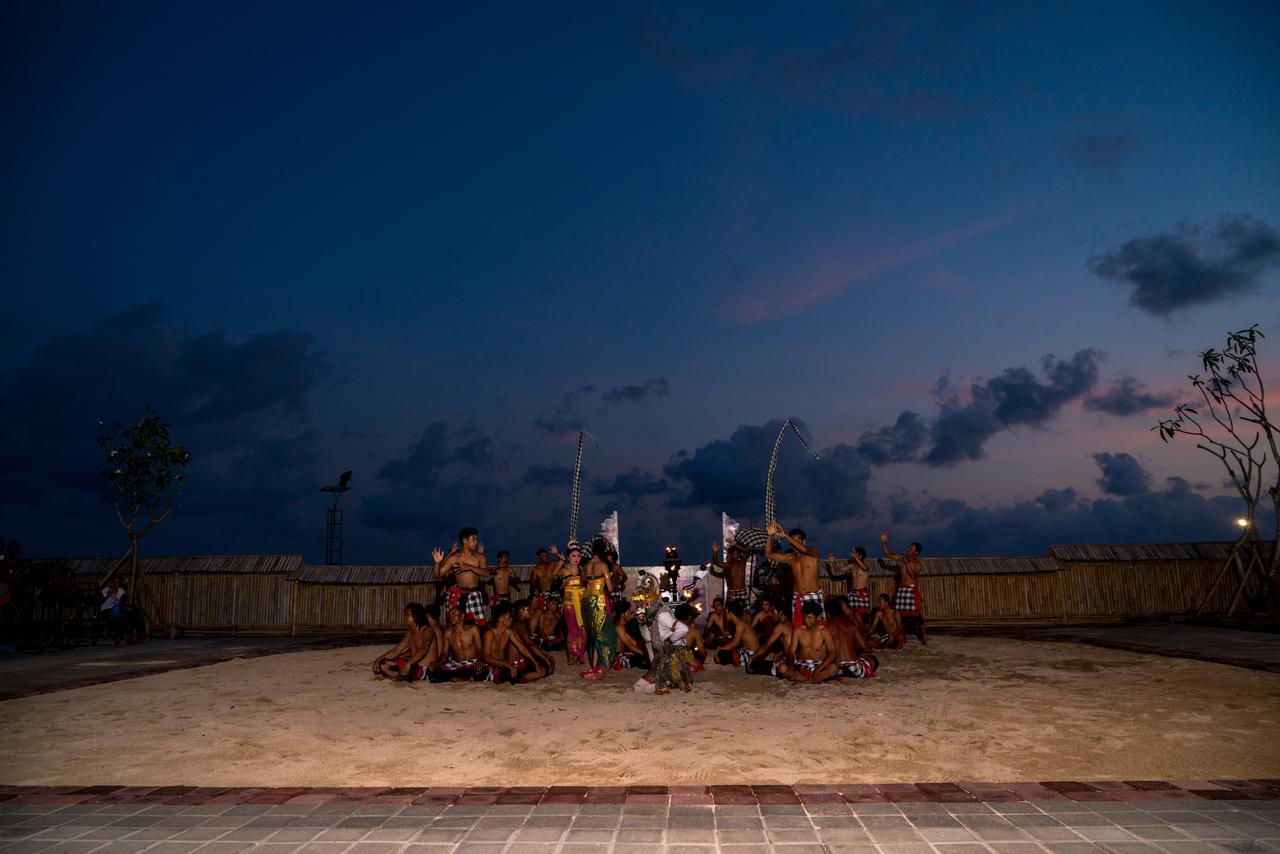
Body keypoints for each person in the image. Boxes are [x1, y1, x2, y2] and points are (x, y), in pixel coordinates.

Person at [765, 521, 823, 626]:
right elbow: (768, 554)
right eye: (792, 543)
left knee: (819, 629)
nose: (793, 545)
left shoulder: (813, 552)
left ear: (803, 541)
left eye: (796, 542)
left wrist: (786, 536)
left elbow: (804, 549)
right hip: (798, 596)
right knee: (798, 628)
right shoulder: (790, 558)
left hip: (813, 595)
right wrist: (769, 535)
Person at [433, 527, 490, 627]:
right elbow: (438, 576)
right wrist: (437, 563)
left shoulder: (479, 557)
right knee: (456, 626)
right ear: (464, 540)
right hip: (459, 595)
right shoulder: (454, 558)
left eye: (477, 539)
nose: (476, 542)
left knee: (478, 626)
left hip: (474, 593)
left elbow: (487, 573)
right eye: (473, 539)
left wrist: (470, 567)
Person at [580, 536, 619, 679]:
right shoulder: (603, 565)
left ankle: (595, 666)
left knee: (593, 634)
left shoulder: (586, 566)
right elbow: (609, 588)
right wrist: (613, 577)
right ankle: (604, 666)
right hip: (599, 601)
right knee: (607, 634)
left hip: (586, 600)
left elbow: (584, 584)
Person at [482, 602, 546, 683]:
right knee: (511, 674)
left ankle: (532, 675)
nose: (511, 619)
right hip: (494, 667)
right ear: (501, 619)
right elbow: (486, 657)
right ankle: (531, 676)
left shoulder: (508, 632)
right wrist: (506, 664)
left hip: (505, 665)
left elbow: (521, 647)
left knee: (534, 665)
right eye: (509, 617)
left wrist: (535, 663)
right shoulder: (490, 634)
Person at [881, 532, 927, 645]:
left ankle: (924, 638)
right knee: (900, 615)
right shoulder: (902, 558)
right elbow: (889, 554)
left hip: (911, 590)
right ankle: (902, 637)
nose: (908, 550)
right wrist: (884, 542)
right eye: (909, 548)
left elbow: (913, 576)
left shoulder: (917, 563)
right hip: (902, 590)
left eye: (911, 549)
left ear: (916, 552)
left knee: (917, 617)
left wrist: (906, 564)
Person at [372, 602, 437, 682]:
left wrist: (409, 663)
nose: (405, 617)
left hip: (426, 670)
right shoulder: (409, 634)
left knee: (410, 668)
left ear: (416, 616)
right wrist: (377, 660)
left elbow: (424, 648)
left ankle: (401, 675)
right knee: (383, 664)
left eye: (407, 615)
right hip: (412, 666)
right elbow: (396, 650)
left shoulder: (427, 630)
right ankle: (399, 676)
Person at [776, 602, 836, 683]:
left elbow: (833, 653)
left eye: (810, 618)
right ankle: (812, 680)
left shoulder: (824, 632)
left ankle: (809, 680)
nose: (806, 620)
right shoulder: (798, 631)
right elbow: (791, 651)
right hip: (802, 665)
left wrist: (819, 668)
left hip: (819, 666)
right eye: (805, 617)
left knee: (834, 668)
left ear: (817, 617)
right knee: (781, 668)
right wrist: (791, 666)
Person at [550, 542, 587, 666]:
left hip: (582, 604)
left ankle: (578, 654)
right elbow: (553, 575)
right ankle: (570, 656)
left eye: (578, 556)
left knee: (581, 630)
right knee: (572, 631)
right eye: (573, 556)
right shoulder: (564, 570)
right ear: (569, 557)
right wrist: (559, 558)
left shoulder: (583, 570)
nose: (576, 559)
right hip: (569, 605)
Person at [823, 597, 878, 680]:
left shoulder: (825, 627)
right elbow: (865, 647)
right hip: (854, 669)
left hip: (836, 667)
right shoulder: (850, 625)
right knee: (874, 659)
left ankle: (842, 672)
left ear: (827, 613)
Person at [428, 605, 488, 682]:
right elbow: (445, 654)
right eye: (450, 615)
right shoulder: (448, 633)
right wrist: (436, 662)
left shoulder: (473, 629)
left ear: (462, 616)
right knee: (433, 671)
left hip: (472, 663)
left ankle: (456, 678)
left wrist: (479, 661)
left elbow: (480, 649)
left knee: (483, 669)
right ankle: (465, 678)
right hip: (457, 664)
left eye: (454, 614)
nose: (451, 617)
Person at [512, 599, 557, 676]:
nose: (530, 612)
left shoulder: (522, 622)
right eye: (528, 609)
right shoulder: (519, 624)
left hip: (523, 655)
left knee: (550, 659)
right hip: (516, 660)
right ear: (520, 610)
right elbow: (530, 644)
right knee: (547, 664)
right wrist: (544, 660)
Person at [827, 546, 872, 622]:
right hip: (853, 593)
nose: (852, 555)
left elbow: (864, 568)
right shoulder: (852, 566)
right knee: (852, 614)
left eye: (854, 553)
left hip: (862, 592)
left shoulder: (865, 565)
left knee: (864, 616)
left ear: (860, 555)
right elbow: (838, 570)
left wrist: (856, 558)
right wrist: (833, 562)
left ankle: (865, 632)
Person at [714, 600, 760, 668]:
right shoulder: (739, 622)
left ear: (731, 613)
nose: (725, 614)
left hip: (752, 654)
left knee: (721, 654)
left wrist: (721, 649)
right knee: (721, 647)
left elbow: (735, 643)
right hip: (747, 650)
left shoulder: (739, 624)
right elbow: (738, 643)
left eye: (726, 612)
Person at [709, 542, 750, 608]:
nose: (736, 555)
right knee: (729, 612)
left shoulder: (742, 563)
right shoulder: (728, 565)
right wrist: (715, 551)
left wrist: (735, 545)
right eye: (734, 553)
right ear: (731, 554)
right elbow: (716, 562)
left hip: (742, 591)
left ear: (739, 554)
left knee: (745, 612)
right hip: (731, 592)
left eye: (737, 553)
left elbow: (747, 552)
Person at [100, 576, 127, 643]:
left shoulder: (121, 590)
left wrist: (120, 600)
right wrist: (108, 595)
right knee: (118, 608)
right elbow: (100, 602)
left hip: (117, 610)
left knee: (118, 606)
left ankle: (112, 627)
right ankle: (125, 632)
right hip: (106, 609)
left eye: (117, 583)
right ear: (111, 583)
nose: (115, 584)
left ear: (119, 584)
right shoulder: (105, 590)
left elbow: (124, 601)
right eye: (114, 582)